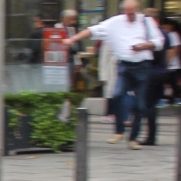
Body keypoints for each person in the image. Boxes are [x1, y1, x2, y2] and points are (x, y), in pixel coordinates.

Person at [65, 0, 163, 150]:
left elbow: (159, 41)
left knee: (140, 104)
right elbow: (93, 30)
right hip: (125, 65)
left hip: (143, 65)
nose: (129, 16)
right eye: (127, 12)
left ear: (137, 10)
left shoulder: (146, 21)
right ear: (123, 11)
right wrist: (72, 39)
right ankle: (119, 131)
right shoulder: (115, 22)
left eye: (132, 12)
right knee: (117, 95)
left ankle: (133, 138)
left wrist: (145, 45)